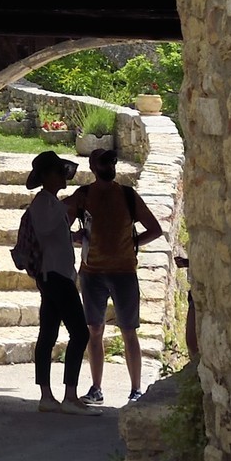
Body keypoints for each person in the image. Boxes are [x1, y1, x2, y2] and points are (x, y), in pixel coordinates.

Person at [77, 147, 163, 406]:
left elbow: (155, 229)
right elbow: (63, 219)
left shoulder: (127, 195)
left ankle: (135, 389)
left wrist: (132, 243)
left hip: (122, 272)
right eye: (104, 163)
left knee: (127, 331)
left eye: (109, 162)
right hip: (95, 272)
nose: (107, 166)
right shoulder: (84, 196)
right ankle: (97, 388)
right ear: (94, 167)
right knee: (96, 331)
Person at [12, 151, 92, 414]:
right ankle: (69, 394)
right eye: (58, 172)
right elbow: (47, 231)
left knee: (48, 334)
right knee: (80, 333)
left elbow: (55, 235)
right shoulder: (44, 204)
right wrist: (67, 211)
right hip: (55, 275)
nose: (62, 176)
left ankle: (48, 395)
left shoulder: (50, 204)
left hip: (54, 275)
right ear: (47, 176)